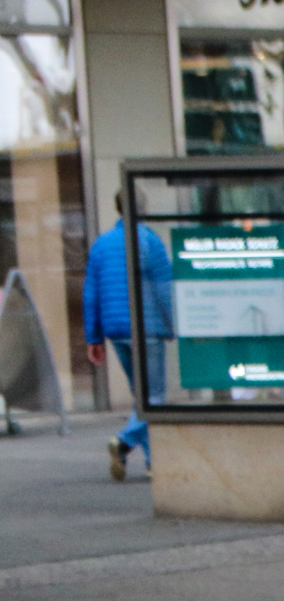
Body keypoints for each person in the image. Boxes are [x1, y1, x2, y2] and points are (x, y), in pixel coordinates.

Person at [82, 196, 172, 483]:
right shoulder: (150, 242)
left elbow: (91, 293)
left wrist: (93, 336)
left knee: (141, 397)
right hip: (147, 328)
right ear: (142, 209)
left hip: (116, 330)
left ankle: (152, 460)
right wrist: (173, 325)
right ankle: (124, 441)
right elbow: (164, 288)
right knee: (153, 397)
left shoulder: (102, 244)